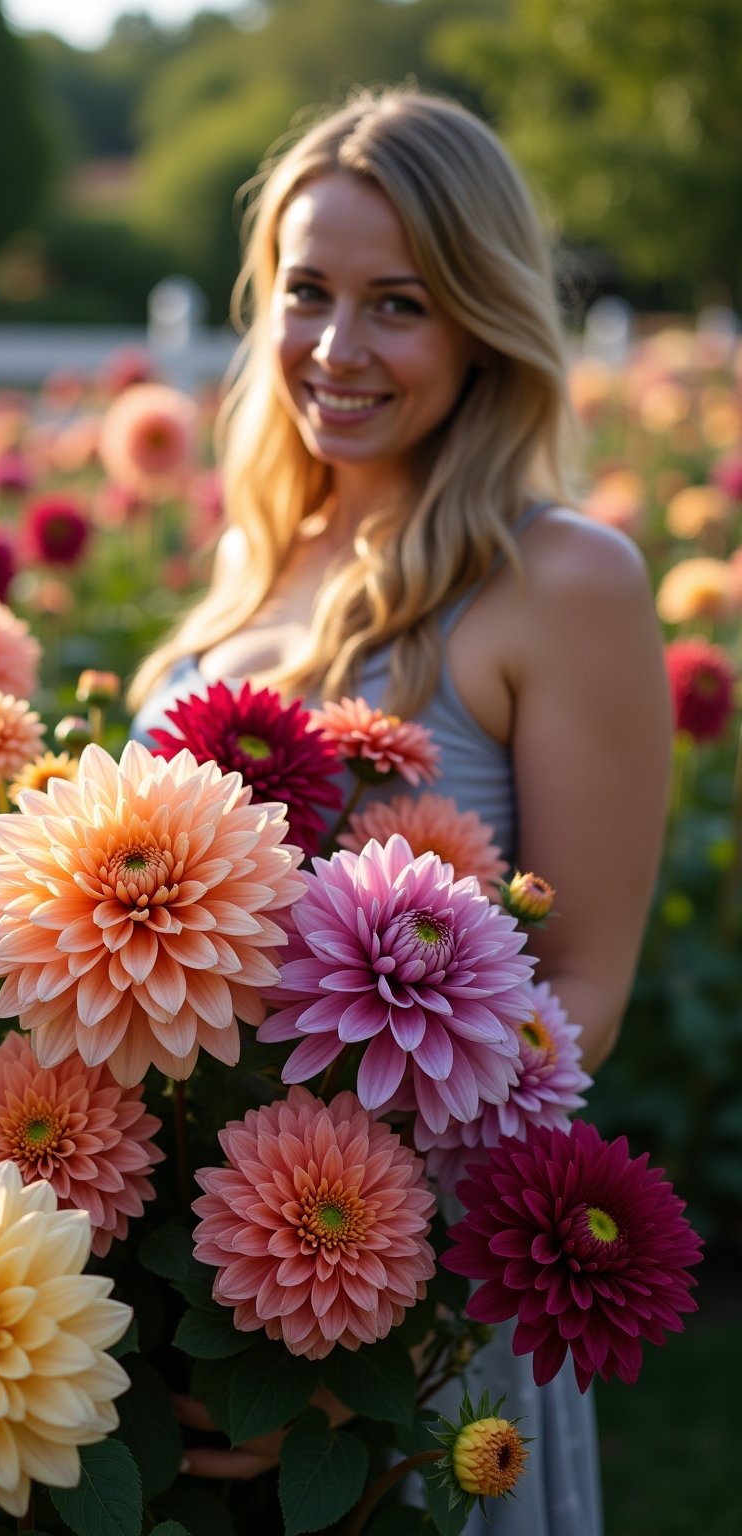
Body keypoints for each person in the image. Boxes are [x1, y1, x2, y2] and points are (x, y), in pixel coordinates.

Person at [128, 86, 670, 1534]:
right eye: (306, 292)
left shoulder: (561, 578)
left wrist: (354, 1317)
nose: (336, 347)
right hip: (174, 1255)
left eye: (400, 303)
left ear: (483, 320)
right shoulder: (256, 569)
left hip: (403, 1283)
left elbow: (588, 992)